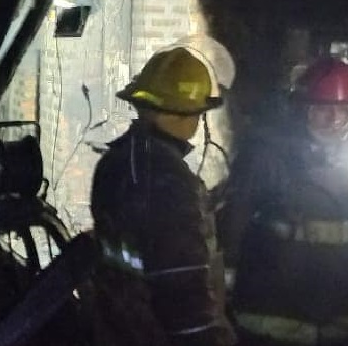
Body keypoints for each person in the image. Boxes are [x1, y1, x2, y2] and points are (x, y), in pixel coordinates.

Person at [215, 57, 348, 346]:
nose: (334, 119)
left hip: (343, 321)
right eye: (322, 109)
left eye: (344, 110)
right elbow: (233, 224)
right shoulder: (267, 157)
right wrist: (222, 291)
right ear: (302, 109)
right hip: (274, 320)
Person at [88, 45, 237, 346]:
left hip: (116, 330)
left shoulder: (116, 162)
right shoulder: (170, 181)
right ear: (191, 115)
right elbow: (183, 290)